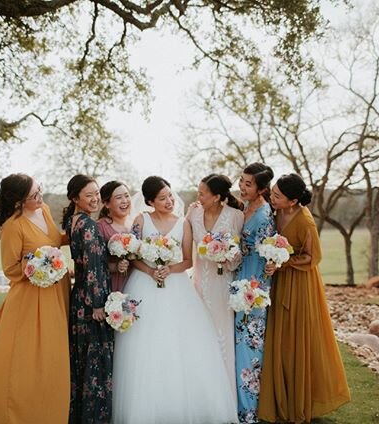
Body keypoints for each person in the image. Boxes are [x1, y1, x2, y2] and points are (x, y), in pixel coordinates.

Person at [112, 176, 238, 424]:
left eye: (170, 195)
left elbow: (188, 260)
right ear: (150, 201)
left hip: (177, 286)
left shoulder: (183, 223)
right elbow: (133, 254)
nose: (169, 201)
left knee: (181, 344)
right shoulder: (141, 221)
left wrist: (170, 269)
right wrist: (150, 270)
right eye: (162, 198)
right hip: (144, 285)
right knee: (144, 346)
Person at [0, 173, 70, 423]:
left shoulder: (45, 210)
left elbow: (54, 239)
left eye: (40, 191)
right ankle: (16, 411)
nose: (40, 197)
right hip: (30, 298)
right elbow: (11, 269)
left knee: (54, 356)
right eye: (34, 196)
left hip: (57, 291)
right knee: (27, 358)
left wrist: (78, 232)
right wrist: (38, 265)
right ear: (18, 201)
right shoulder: (12, 227)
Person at [258, 173, 351, 423]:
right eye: (272, 192)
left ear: (293, 200)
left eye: (277, 195)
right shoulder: (275, 209)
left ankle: (298, 401)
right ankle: (279, 396)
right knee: (277, 337)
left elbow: (313, 258)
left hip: (300, 282)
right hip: (279, 279)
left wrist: (283, 263)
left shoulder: (306, 222)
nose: (272, 197)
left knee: (295, 338)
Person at [63, 174, 114, 424]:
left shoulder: (72, 222)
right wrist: (97, 304)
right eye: (89, 195)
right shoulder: (89, 226)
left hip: (78, 299)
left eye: (97, 193)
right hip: (91, 302)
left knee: (81, 364)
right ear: (75, 198)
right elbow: (93, 265)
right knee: (96, 364)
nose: (95, 199)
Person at [187, 173, 244, 397]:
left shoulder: (235, 216)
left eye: (202, 193)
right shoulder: (193, 213)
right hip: (198, 285)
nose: (198, 196)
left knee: (222, 337)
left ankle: (224, 396)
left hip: (223, 287)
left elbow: (240, 255)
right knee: (199, 337)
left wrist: (228, 257)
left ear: (217, 196)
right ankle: (199, 394)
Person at [234, 162, 276, 424]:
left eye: (248, 184)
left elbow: (268, 252)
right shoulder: (246, 206)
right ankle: (240, 407)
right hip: (239, 279)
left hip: (254, 287)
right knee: (240, 347)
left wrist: (257, 287)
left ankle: (249, 413)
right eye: (241, 180)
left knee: (249, 348)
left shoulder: (264, 215)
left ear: (261, 190)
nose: (242, 186)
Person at [97, 181, 132, 292]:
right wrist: (116, 266)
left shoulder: (135, 223)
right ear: (107, 204)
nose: (124, 201)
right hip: (113, 283)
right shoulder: (100, 226)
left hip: (135, 280)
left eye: (127, 196)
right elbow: (96, 262)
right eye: (118, 197)